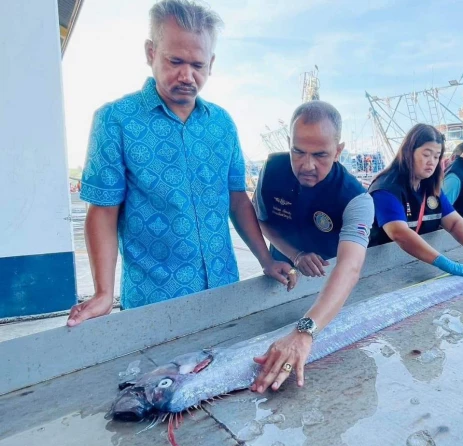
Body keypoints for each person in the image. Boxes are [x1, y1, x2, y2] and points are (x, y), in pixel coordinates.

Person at [67, 0, 294, 327]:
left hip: (223, 289)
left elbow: (237, 198)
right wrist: (104, 292)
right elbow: (103, 209)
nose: (187, 75)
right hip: (154, 300)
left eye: (198, 65)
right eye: (175, 61)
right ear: (150, 53)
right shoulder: (115, 121)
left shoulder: (222, 124)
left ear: (211, 63)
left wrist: (266, 259)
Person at [250, 101, 375, 393]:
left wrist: (304, 332)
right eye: (298, 152)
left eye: (320, 155)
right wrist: (295, 255)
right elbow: (261, 220)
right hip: (282, 268)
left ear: (339, 151)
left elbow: (350, 266)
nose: (307, 166)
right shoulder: (272, 169)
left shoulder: (356, 198)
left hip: (327, 279)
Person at [368, 124, 463, 284]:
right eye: (426, 155)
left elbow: (453, 222)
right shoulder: (386, 188)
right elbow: (399, 233)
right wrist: (447, 264)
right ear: (408, 153)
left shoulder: (430, 186)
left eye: (436, 156)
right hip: (378, 271)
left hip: (414, 264)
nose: (431, 162)